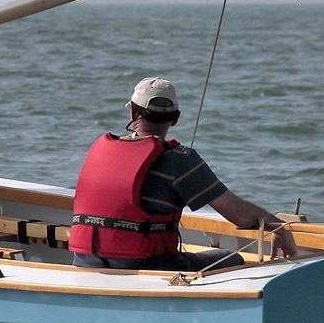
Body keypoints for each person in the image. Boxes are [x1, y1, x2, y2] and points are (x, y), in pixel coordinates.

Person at [69, 76, 298, 270]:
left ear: (133, 112)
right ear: (175, 118)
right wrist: (276, 226)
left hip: (85, 262)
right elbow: (240, 215)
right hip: (148, 266)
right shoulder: (179, 159)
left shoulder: (100, 148)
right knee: (235, 259)